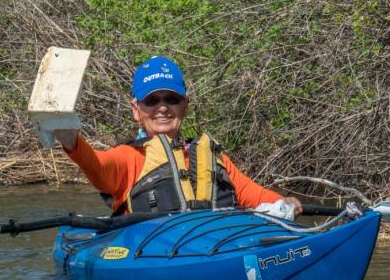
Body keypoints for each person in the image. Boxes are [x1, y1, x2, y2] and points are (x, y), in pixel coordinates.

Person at [53, 56, 302, 216]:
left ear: (185, 106)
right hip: (155, 255)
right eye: (152, 100)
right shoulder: (129, 158)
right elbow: (96, 165)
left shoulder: (214, 158)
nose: (162, 107)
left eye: (172, 99)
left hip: (211, 246)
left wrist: (283, 201)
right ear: (136, 110)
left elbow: (254, 196)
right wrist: (70, 139)